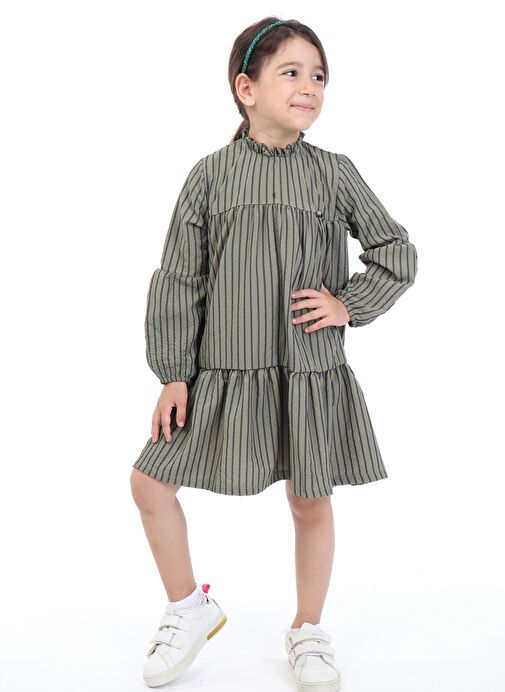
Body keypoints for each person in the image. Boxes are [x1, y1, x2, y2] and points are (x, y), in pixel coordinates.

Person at [130, 16, 418, 691]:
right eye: (290, 72)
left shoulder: (334, 173)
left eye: (318, 76)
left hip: (307, 370)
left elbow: (395, 252)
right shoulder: (210, 176)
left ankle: (308, 628)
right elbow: (179, 278)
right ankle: (188, 608)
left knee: (310, 500)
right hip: (220, 373)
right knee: (149, 484)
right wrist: (173, 374)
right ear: (246, 88)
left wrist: (348, 303)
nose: (308, 86)